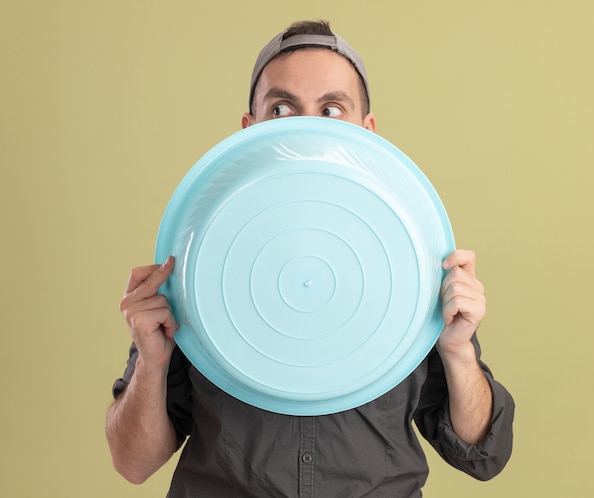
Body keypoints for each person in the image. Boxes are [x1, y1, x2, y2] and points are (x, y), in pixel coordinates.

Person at [106, 20, 515, 497]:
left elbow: (483, 454)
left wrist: (458, 351)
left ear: (368, 132)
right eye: (282, 108)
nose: (306, 126)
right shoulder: (195, 258)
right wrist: (152, 366)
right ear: (249, 128)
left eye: (331, 108)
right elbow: (134, 464)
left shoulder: (416, 260)